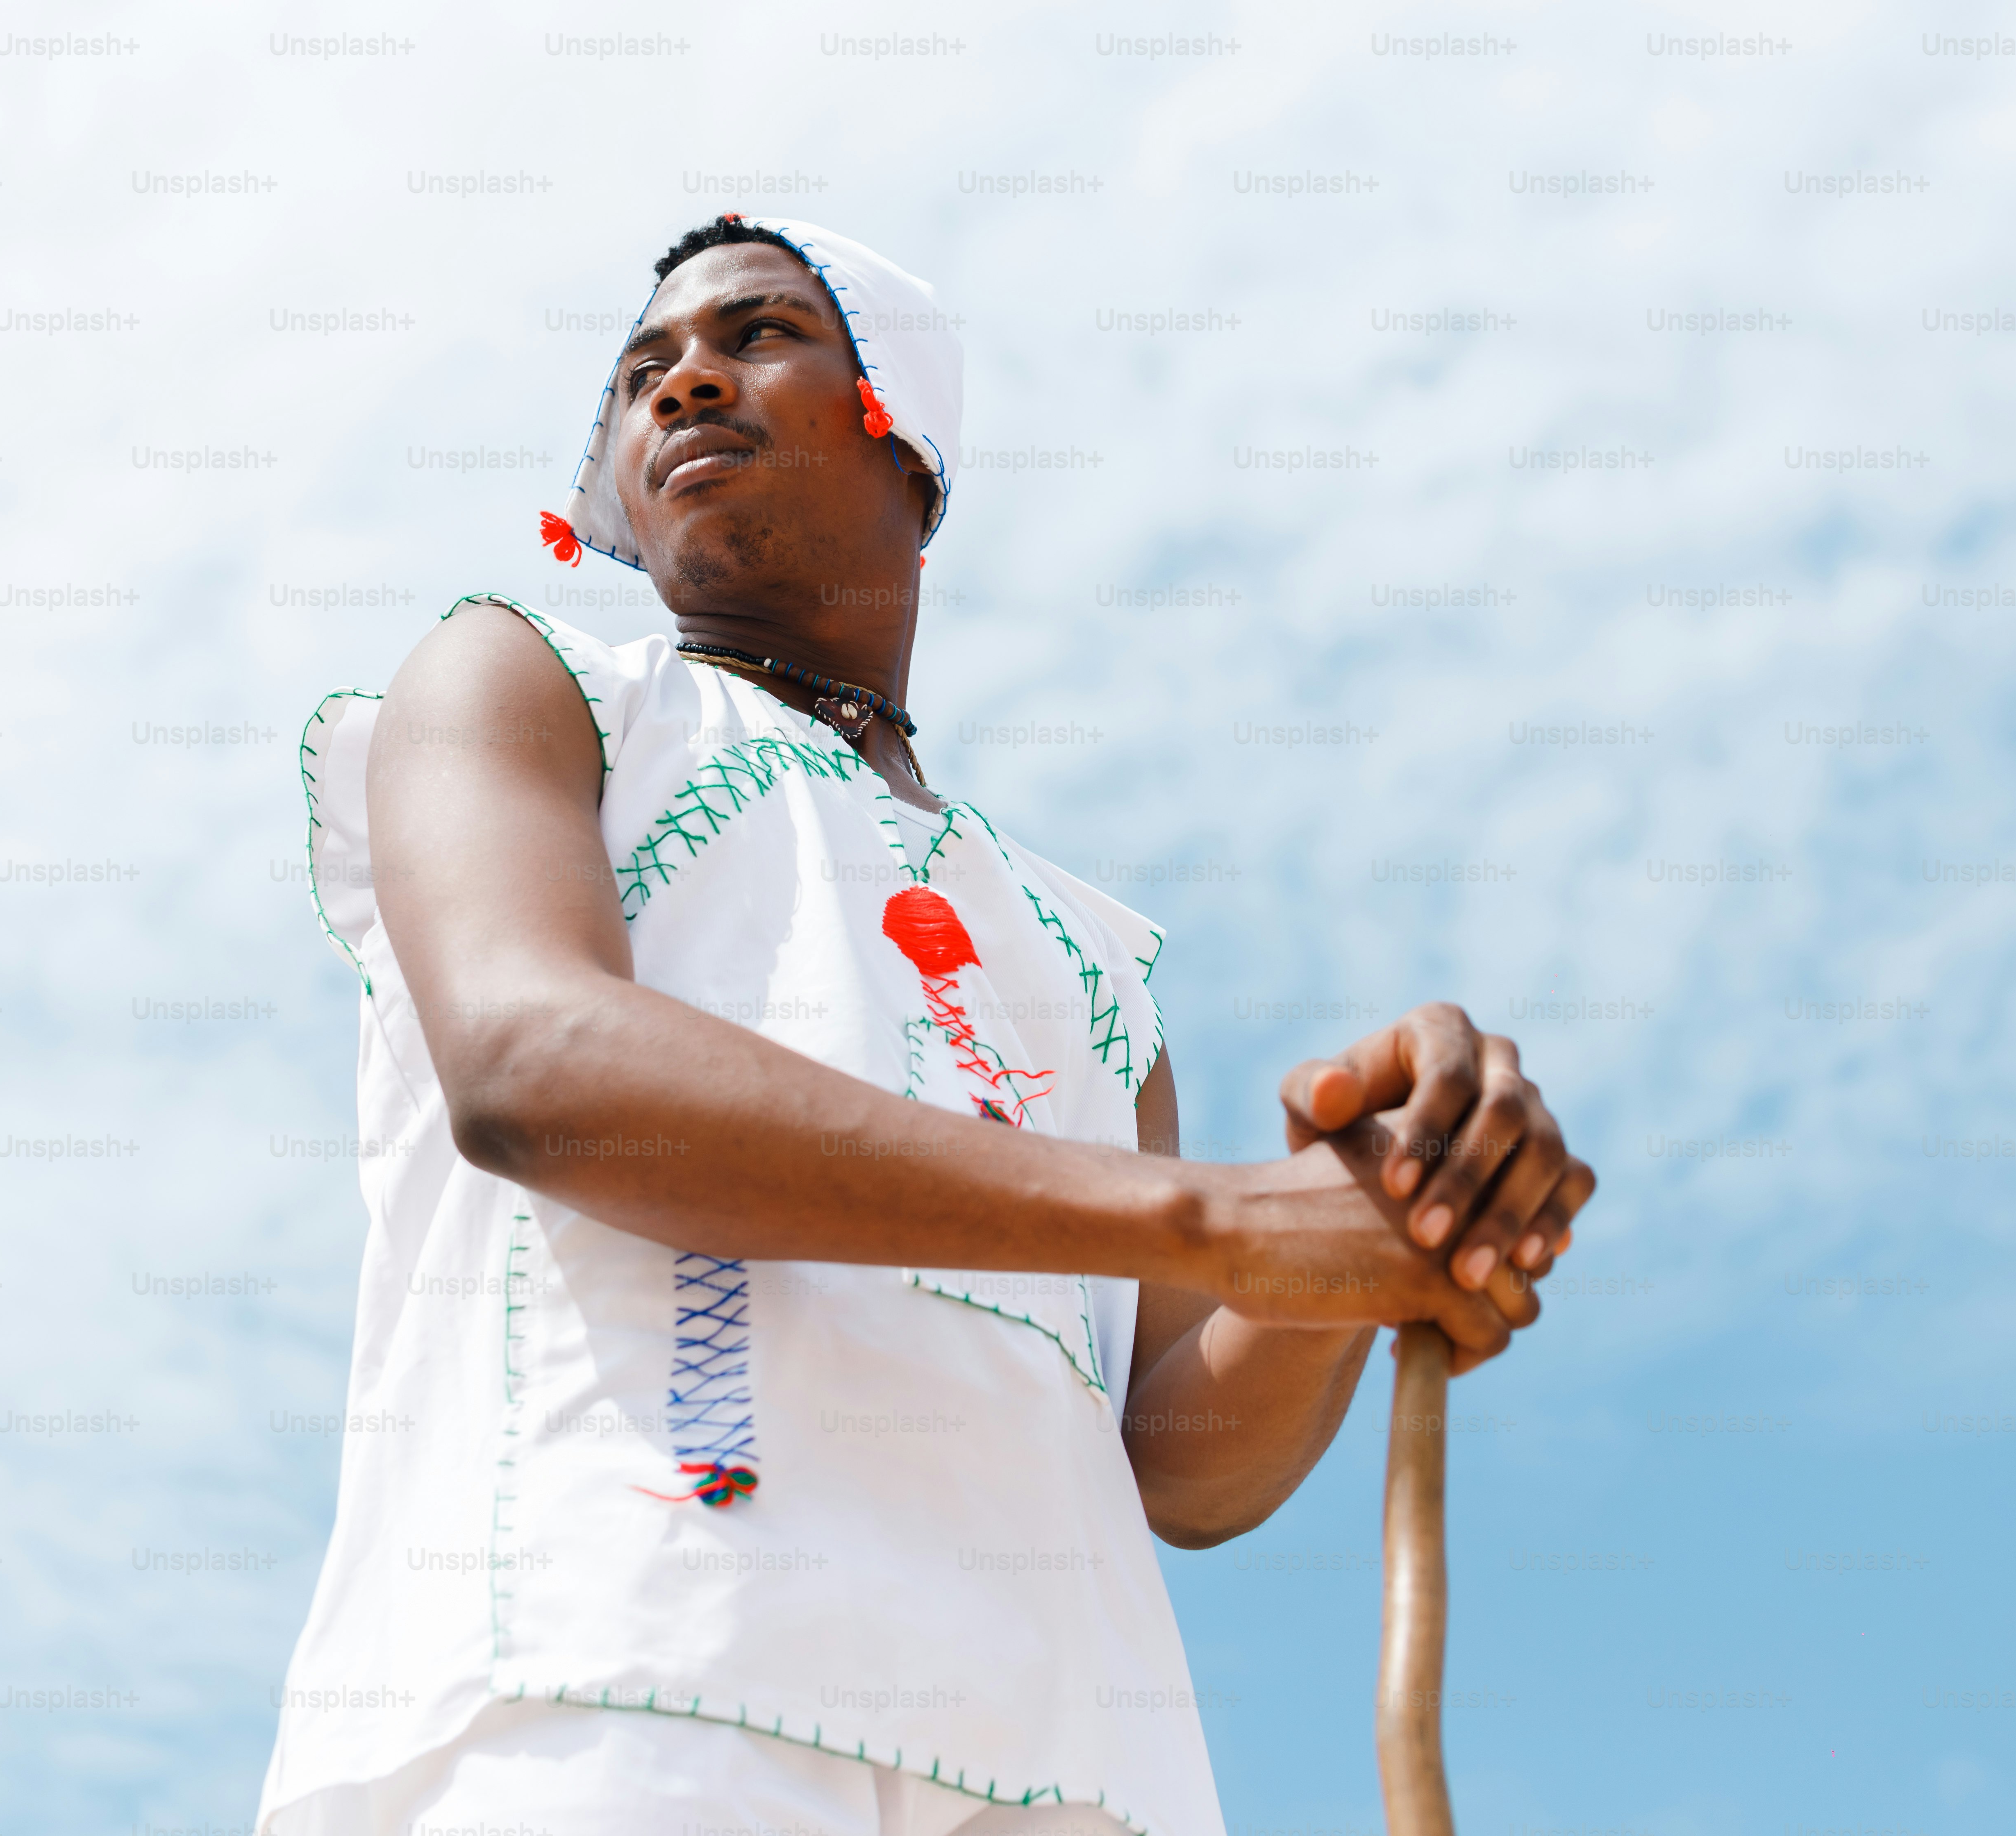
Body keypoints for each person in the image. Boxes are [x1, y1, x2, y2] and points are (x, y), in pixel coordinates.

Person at [256, 215, 1594, 1836]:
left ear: (909, 436)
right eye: (639, 374)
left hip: (1065, 1775)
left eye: (756, 336)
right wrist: (1222, 1213)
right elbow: (539, 1069)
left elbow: (1180, 1459)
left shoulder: (1090, 960)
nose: (681, 381)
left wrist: (1367, 1217)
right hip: (617, 1685)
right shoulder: (529, 684)